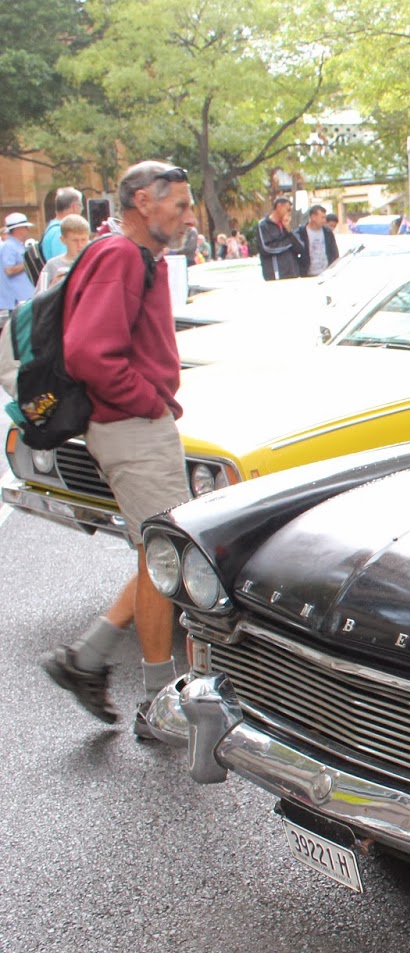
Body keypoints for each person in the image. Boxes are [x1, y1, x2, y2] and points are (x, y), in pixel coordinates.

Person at [42, 160, 196, 735]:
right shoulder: (120, 257)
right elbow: (89, 354)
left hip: (132, 423)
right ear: (139, 202)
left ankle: (86, 660)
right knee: (167, 556)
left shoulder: (124, 255)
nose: (187, 217)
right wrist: (148, 400)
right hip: (131, 425)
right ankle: (160, 703)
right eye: (177, 205)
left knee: (159, 552)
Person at [35, 213, 91, 290]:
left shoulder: (94, 262)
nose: (80, 245)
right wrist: (53, 286)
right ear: (63, 240)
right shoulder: (52, 265)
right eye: (75, 240)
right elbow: (38, 299)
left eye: (83, 240)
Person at [257, 197, 302, 280]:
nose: (289, 213)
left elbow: (300, 247)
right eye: (287, 210)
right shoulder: (263, 225)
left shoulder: (287, 225)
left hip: (292, 271)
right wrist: (289, 243)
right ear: (279, 206)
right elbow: (266, 248)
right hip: (276, 272)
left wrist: (288, 230)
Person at [1, 213, 35, 311]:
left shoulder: (15, 245)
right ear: (18, 229)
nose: (28, 230)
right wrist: (28, 263)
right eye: (25, 227)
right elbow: (9, 270)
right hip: (15, 300)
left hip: (21, 298)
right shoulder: (9, 246)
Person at [295, 203, 340, 277]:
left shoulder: (328, 233)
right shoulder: (301, 233)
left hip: (326, 273)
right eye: (322, 217)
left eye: (325, 217)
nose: (324, 220)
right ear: (313, 217)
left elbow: (334, 253)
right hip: (307, 274)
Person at [40, 187, 84, 260]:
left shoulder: (54, 228)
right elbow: (64, 265)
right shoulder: (61, 231)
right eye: (81, 207)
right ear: (75, 207)